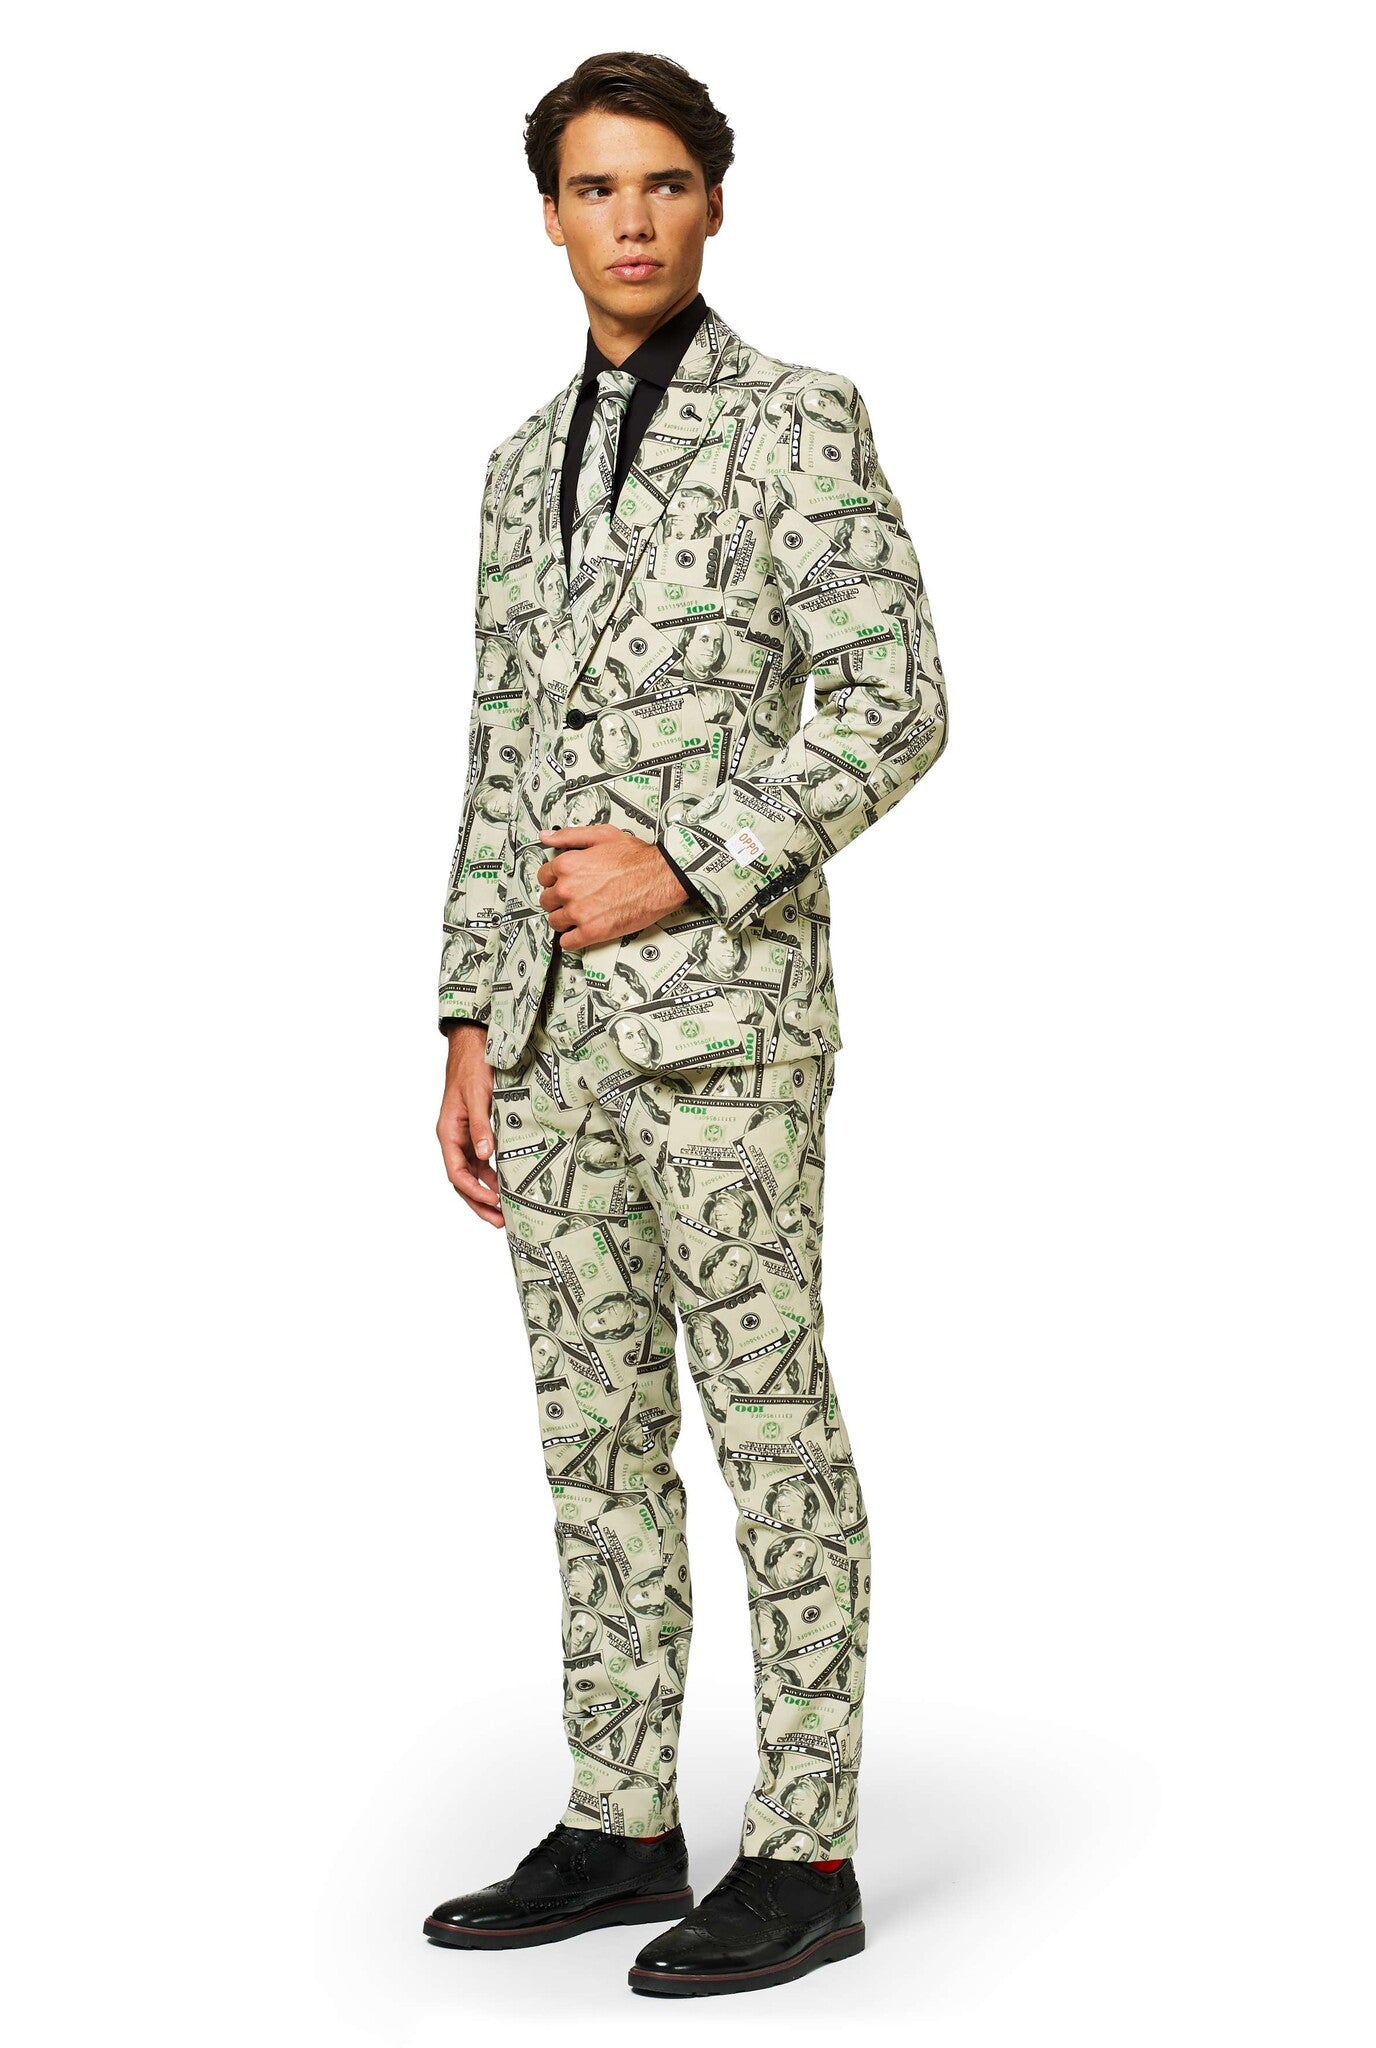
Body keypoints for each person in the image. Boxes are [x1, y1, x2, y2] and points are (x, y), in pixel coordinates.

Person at [425, 48, 949, 1999]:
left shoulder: (799, 421)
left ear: (713, 200)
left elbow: (895, 702)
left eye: (661, 182)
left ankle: (802, 1850)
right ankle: (620, 1817)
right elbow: (498, 759)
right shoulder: (513, 469)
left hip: (723, 1026)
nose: (629, 219)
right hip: (548, 1038)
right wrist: (467, 1012)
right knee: (593, 1435)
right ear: (551, 215)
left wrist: (686, 862)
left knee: (767, 1421)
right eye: (594, 187)